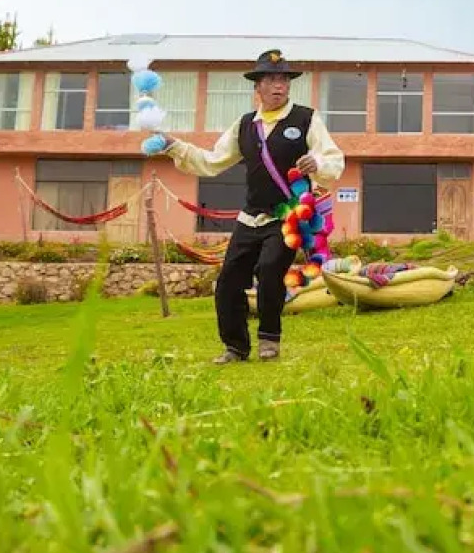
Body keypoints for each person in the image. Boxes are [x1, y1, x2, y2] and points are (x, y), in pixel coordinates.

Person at [147, 49, 344, 363]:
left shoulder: (306, 119)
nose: (278, 85)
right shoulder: (244, 126)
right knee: (228, 282)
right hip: (250, 217)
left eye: (283, 79)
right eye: (271, 79)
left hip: (289, 216)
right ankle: (235, 347)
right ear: (258, 87)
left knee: (269, 270)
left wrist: (316, 161)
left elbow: (333, 161)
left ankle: (269, 339)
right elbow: (211, 162)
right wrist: (174, 145)